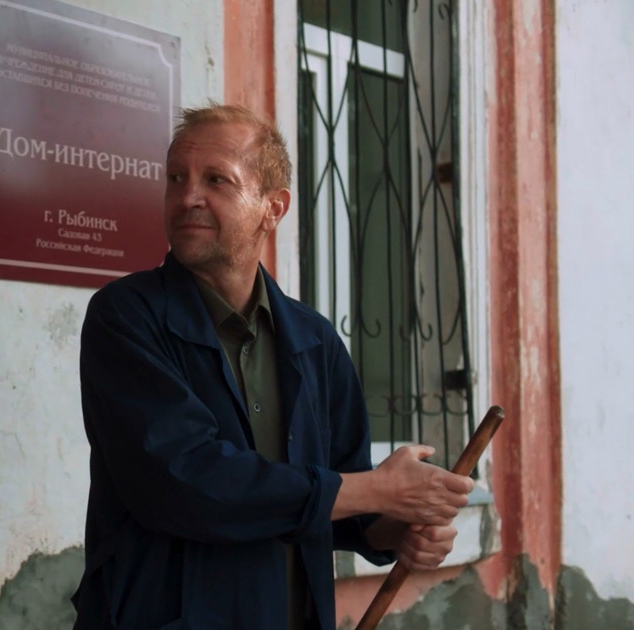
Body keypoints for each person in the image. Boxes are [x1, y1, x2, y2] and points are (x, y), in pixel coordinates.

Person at [71, 104, 474, 630]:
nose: (188, 197)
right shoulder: (126, 318)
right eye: (176, 178)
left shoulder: (314, 340)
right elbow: (185, 481)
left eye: (216, 179)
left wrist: (402, 530)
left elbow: (347, 507)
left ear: (273, 207)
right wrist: (377, 489)